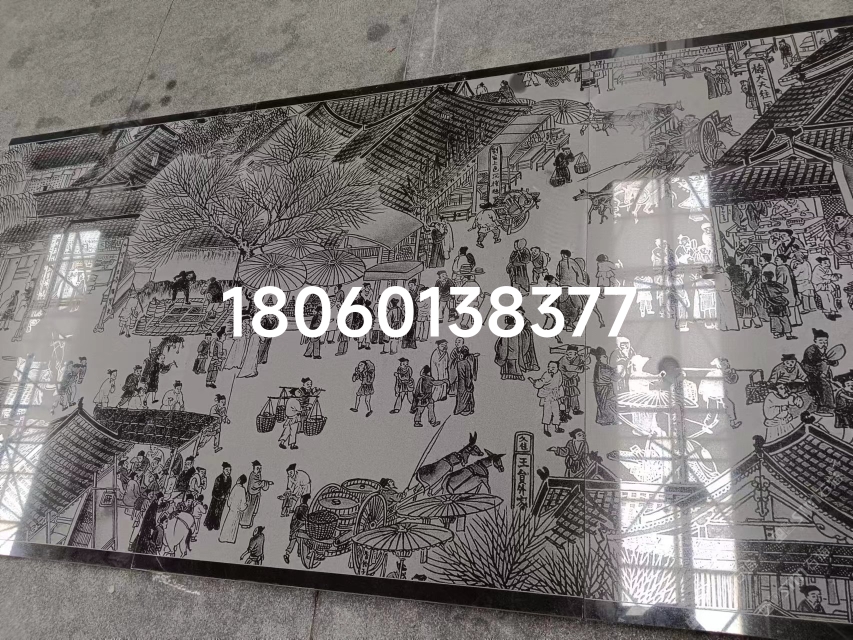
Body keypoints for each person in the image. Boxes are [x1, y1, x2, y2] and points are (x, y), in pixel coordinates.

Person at [803, 328, 841, 414]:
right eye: (820, 341)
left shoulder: (823, 350)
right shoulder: (811, 350)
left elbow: (830, 361)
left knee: (833, 386)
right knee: (824, 386)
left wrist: (832, 361)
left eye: (825, 341)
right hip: (812, 375)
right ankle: (825, 408)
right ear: (815, 342)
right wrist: (819, 371)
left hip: (823, 374)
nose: (823, 343)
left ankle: (831, 407)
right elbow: (808, 364)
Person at [530, 361, 564, 437]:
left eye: (553, 368)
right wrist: (534, 382)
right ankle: (546, 429)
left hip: (554, 395)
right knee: (547, 412)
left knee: (556, 412)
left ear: (557, 368)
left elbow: (559, 383)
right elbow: (540, 383)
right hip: (547, 396)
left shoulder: (559, 374)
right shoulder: (546, 375)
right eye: (549, 367)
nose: (550, 369)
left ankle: (557, 427)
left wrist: (559, 395)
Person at [554, 345, 587, 417]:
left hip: (573, 381)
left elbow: (587, 362)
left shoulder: (577, 358)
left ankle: (575, 409)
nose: (570, 355)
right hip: (565, 382)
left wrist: (584, 359)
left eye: (572, 353)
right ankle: (565, 412)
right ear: (566, 353)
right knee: (565, 396)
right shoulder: (563, 360)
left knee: (574, 395)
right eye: (569, 353)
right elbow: (572, 368)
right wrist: (581, 365)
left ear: (576, 354)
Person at [240, 461, 273, 530]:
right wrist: (267, 482)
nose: (259, 470)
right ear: (254, 468)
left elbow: (260, 483)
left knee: (254, 510)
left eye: (260, 468)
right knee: (248, 510)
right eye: (257, 468)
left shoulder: (258, 474)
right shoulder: (252, 475)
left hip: (256, 495)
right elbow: (256, 484)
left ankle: (250, 523)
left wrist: (264, 483)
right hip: (251, 495)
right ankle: (244, 524)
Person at [762, 272, 795, 340]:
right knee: (782, 318)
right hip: (779, 302)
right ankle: (787, 334)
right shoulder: (775, 284)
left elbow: (767, 296)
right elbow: (785, 290)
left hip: (772, 303)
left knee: (776, 319)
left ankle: (778, 333)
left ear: (766, 278)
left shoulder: (764, 285)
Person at [590, 347, 619, 425]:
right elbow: (615, 377)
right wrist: (618, 369)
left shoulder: (601, 365)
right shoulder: (602, 367)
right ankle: (608, 420)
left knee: (603, 404)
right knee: (606, 403)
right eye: (604, 357)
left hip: (603, 388)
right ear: (599, 358)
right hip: (604, 389)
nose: (607, 358)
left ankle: (603, 420)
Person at [219, 474, 248, 544]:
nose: (237, 479)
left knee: (228, 523)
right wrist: (244, 507)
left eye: (239, 479)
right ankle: (231, 539)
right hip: (237, 510)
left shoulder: (236, 487)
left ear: (240, 480)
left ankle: (223, 538)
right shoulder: (242, 489)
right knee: (234, 525)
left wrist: (230, 505)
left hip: (233, 509)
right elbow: (243, 502)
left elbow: (230, 498)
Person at [283, 494, 311, 564]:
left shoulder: (298, 508)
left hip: (296, 527)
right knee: (300, 542)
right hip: (303, 528)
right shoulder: (308, 509)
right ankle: (299, 554)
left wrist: (292, 528)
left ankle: (287, 554)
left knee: (292, 542)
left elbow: (294, 518)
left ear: (302, 500)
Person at [204, 462, 232, 531]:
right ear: (223, 470)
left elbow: (228, 489)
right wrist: (221, 495)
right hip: (216, 498)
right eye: (227, 470)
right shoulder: (218, 478)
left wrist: (227, 495)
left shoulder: (229, 479)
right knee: (213, 511)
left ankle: (216, 525)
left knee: (219, 512)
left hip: (223, 499)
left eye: (230, 470)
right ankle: (209, 525)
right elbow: (215, 490)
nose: (228, 472)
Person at [452, 346, 477, 416]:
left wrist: (468, 384)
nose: (459, 356)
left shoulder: (461, 363)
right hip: (463, 382)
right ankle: (467, 409)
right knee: (465, 396)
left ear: (462, 355)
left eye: (460, 354)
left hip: (463, 383)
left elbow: (467, 376)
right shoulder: (465, 363)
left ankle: (465, 409)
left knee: (463, 396)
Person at [791, 250, 816, 314]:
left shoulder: (800, 265)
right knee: (810, 295)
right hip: (808, 281)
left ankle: (806, 308)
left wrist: (793, 267)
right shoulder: (807, 263)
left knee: (805, 296)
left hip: (802, 282)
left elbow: (795, 274)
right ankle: (813, 307)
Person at [401, 280, 420, 350]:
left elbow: (416, 310)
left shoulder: (417, 295)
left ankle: (412, 344)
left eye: (411, 285)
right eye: (409, 285)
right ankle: (405, 344)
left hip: (413, 318)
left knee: (412, 331)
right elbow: (403, 309)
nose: (410, 287)